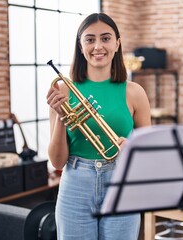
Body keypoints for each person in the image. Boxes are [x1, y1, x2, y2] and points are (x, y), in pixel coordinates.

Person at [46, 12, 151, 240]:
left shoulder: (135, 92)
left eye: (105, 38)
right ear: (81, 45)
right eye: (90, 39)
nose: (98, 46)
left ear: (117, 43)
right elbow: (56, 161)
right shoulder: (63, 90)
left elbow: (149, 153)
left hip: (121, 182)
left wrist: (132, 147)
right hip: (75, 183)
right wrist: (61, 117)